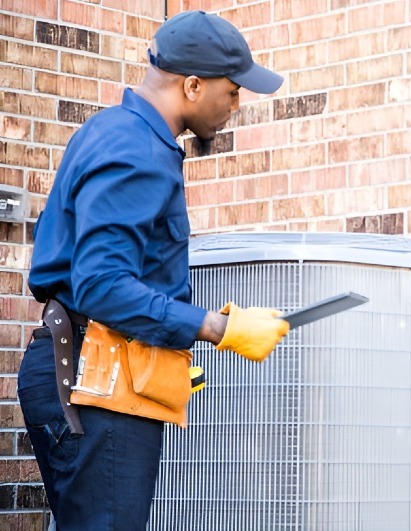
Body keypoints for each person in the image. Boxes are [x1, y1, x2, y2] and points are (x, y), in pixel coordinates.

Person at [17, 11, 290, 530]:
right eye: (231, 92)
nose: (235, 106)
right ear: (191, 84)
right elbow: (101, 285)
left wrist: (167, 351)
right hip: (94, 380)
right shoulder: (138, 149)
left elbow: (108, 275)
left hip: (92, 368)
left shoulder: (112, 131)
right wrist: (217, 327)